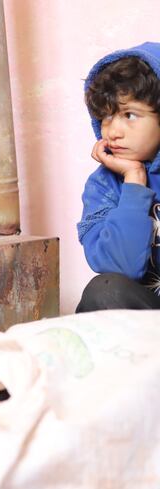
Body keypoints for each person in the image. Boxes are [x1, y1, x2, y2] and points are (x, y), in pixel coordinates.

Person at [76, 42, 160, 312]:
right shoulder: (104, 186)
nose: (113, 132)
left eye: (130, 115)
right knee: (104, 290)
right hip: (144, 318)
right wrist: (134, 180)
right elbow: (120, 268)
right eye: (107, 117)